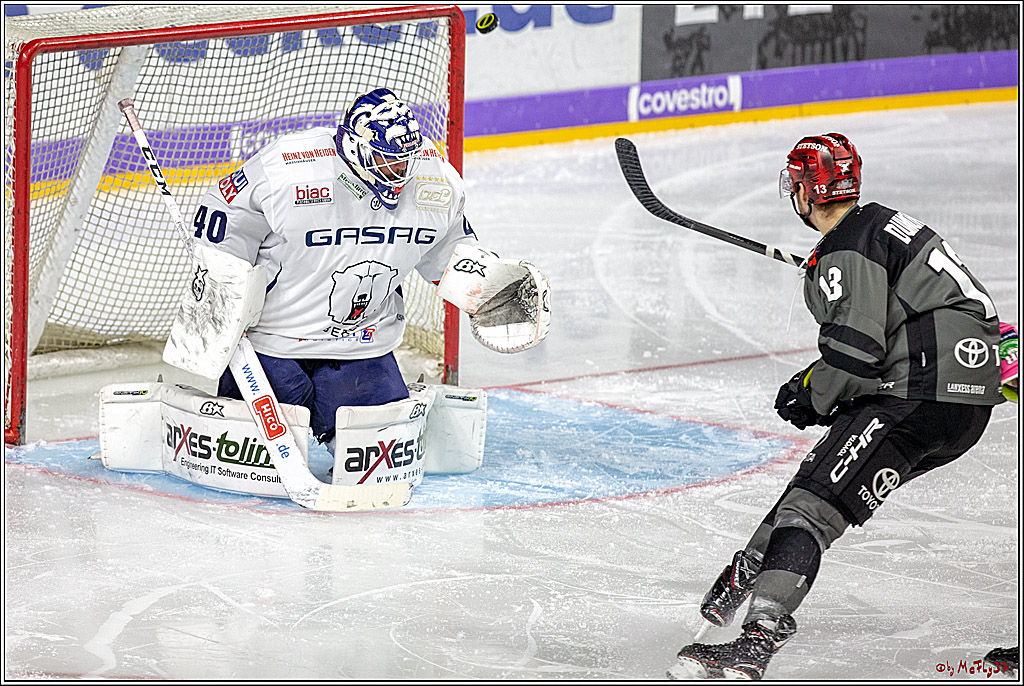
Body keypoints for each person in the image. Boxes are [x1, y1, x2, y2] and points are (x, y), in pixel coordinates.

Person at [668, 133, 1008, 680]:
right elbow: (953, 312)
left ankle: (755, 644)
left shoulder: (851, 244)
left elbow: (856, 354)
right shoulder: (884, 228)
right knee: (820, 486)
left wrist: (809, 391)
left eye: (796, 185)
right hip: (959, 406)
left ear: (806, 190)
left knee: (811, 511)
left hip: (914, 394)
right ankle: (753, 566)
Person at [188, 87, 542, 461]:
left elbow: (450, 257)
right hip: (273, 345)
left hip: (363, 348)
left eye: (405, 160)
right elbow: (227, 222)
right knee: (252, 462)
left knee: (376, 464)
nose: (399, 172)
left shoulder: (435, 182)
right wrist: (222, 294)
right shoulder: (289, 166)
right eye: (388, 160)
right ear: (357, 148)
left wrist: (490, 292)